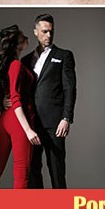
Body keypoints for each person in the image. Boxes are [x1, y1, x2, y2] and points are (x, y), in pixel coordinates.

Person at [0, 25, 41, 189]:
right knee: (22, 175)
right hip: (18, 120)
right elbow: (15, 98)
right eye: (23, 38)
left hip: (5, 120)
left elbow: (2, 97)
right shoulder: (15, 65)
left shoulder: (8, 65)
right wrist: (28, 130)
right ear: (16, 45)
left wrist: (2, 104)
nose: (27, 38)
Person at [22, 13, 76, 189]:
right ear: (35, 32)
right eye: (44, 32)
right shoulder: (25, 61)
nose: (49, 36)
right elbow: (20, 89)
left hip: (55, 124)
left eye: (51, 32)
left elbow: (70, 88)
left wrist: (66, 118)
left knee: (57, 173)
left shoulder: (64, 55)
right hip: (32, 124)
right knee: (33, 174)